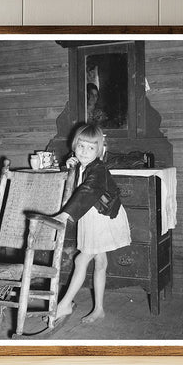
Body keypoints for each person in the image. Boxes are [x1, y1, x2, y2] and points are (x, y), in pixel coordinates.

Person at [54, 124, 131, 323]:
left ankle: (64, 305)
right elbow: (74, 185)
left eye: (91, 148)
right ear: (74, 146)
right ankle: (99, 309)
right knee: (100, 262)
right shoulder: (81, 165)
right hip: (93, 217)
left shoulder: (98, 169)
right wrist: (69, 167)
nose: (85, 152)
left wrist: (65, 214)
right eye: (81, 146)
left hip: (103, 219)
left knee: (81, 261)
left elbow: (88, 190)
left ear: (99, 150)